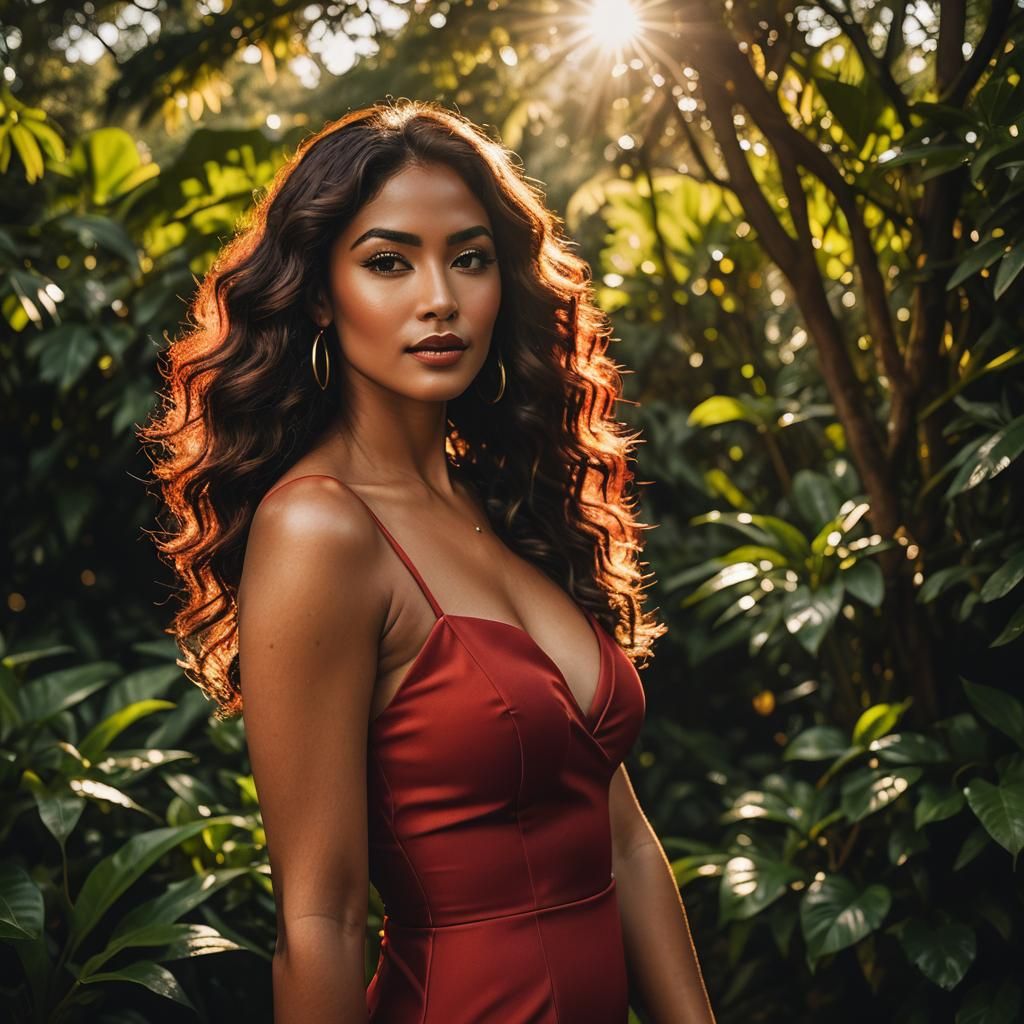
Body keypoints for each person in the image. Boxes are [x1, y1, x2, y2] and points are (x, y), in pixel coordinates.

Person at [141, 99, 716, 1023]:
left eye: (470, 258)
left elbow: (625, 841)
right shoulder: (319, 532)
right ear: (322, 293)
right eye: (388, 262)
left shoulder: (503, 499)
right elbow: (319, 920)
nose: (439, 296)